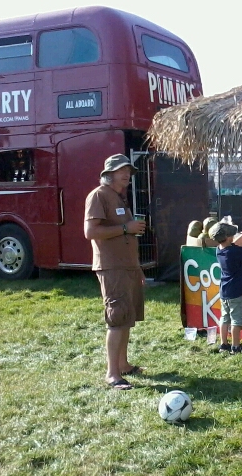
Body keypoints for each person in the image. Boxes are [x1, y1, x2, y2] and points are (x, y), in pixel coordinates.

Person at [84, 154, 147, 390]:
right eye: (122, 170)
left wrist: (137, 267)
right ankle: (112, 374)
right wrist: (125, 228)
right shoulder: (98, 195)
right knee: (117, 317)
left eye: (129, 171)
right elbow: (90, 231)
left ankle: (124, 365)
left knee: (126, 318)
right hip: (111, 266)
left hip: (128, 267)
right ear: (109, 174)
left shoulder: (119, 198)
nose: (127, 175)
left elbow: (126, 234)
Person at [209, 219, 242, 354]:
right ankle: (236, 347)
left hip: (225, 291)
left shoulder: (219, 250)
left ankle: (223, 344)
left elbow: (235, 244)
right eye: (231, 234)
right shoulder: (232, 252)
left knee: (224, 318)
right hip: (236, 291)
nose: (233, 236)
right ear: (226, 238)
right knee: (236, 320)